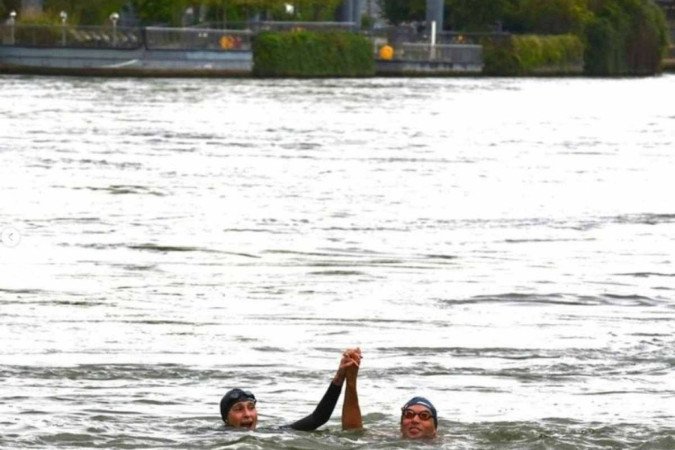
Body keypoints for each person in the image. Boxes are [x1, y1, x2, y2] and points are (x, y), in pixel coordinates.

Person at [220, 348, 362, 431]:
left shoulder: (271, 433)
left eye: (251, 407)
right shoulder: (210, 436)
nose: (247, 414)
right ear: (226, 420)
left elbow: (318, 418)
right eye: (238, 409)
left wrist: (340, 377)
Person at [341, 350, 438, 440]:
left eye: (424, 416)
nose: (415, 420)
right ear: (401, 426)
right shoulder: (387, 439)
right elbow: (353, 433)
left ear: (435, 429)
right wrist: (351, 379)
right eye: (409, 414)